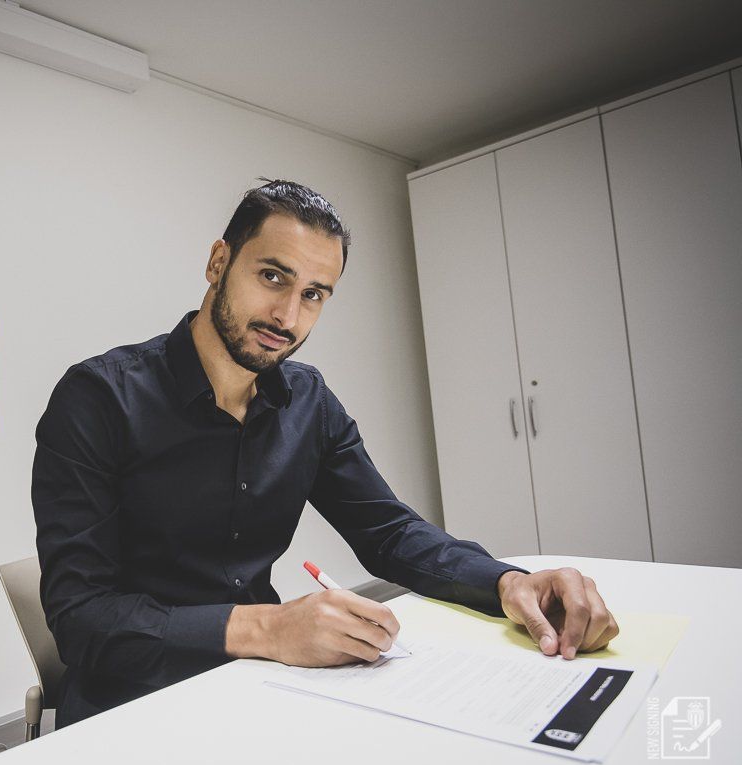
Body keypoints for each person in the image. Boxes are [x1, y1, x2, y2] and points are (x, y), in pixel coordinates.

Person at [31, 179, 620, 729]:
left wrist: (507, 582)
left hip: (261, 685)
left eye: (313, 294)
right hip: (128, 708)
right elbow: (82, 618)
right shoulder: (98, 398)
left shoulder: (307, 400)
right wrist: (269, 627)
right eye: (272, 276)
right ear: (218, 262)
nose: (288, 317)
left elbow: (389, 532)